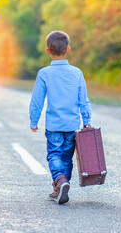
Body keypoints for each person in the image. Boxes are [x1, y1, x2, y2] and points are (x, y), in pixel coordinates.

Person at [29, 31, 92, 204]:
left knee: (54, 155)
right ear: (68, 50)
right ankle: (61, 187)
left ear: (47, 51)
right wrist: (86, 120)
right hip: (72, 126)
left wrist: (34, 120)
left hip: (54, 125)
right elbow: (83, 100)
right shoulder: (76, 73)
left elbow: (37, 100)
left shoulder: (44, 73)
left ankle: (60, 181)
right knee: (66, 158)